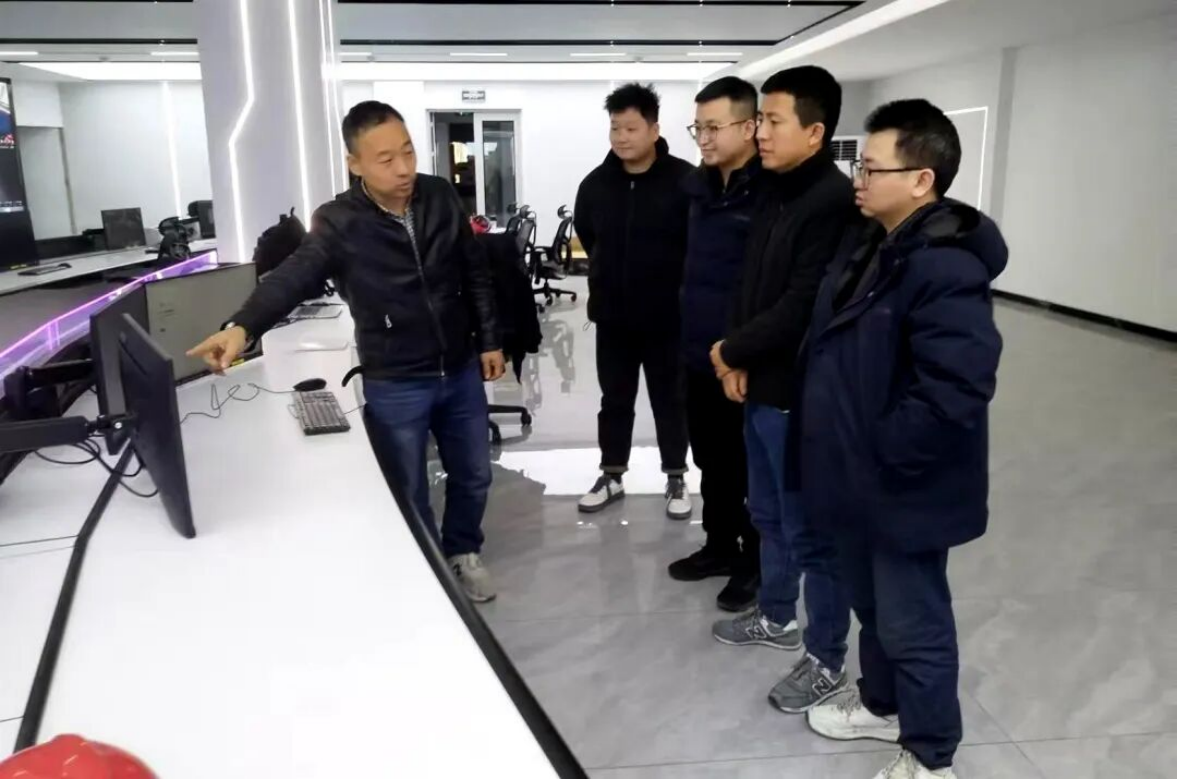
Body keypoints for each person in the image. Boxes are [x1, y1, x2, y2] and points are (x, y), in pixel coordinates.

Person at [187, 101, 505, 603]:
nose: (403, 168)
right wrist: (241, 327)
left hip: (459, 366)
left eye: (408, 152)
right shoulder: (338, 222)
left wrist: (489, 339)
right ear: (355, 163)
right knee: (408, 487)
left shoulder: (441, 195)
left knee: (474, 474)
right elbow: (292, 277)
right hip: (396, 378)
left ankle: (463, 550)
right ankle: (428, 567)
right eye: (386, 159)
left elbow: (475, 273)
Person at [803, 100, 1005, 780]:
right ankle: (882, 704)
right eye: (858, 166)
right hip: (856, 472)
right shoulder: (876, 244)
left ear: (922, 179)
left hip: (904, 479)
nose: (858, 179)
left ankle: (931, 753)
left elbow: (957, 387)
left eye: (871, 168)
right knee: (872, 606)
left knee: (913, 619)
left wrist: (883, 451)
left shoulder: (946, 267)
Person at [708, 66, 855, 714]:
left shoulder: (832, 203)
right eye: (759, 120)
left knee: (811, 534)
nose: (759, 133)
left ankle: (826, 659)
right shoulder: (775, 185)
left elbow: (802, 304)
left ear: (815, 133)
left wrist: (732, 351)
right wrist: (735, 357)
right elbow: (750, 283)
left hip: (802, 392)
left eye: (772, 121)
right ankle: (776, 616)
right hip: (761, 379)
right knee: (766, 513)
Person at [573, 83, 695, 519]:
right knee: (615, 400)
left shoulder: (685, 181)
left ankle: (676, 476)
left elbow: (697, 245)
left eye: (630, 128)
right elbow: (589, 236)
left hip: (668, 319)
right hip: (614, 319)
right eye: (615, 128)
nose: (621, 137)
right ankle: (612, 474)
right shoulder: (595, 185)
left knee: (670, 400)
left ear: (654, 129)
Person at [670, 76, 763, 612]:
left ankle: (755, 561)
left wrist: (741, 351)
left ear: (749, 128)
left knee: (746, 464)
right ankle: (720, 545)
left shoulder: (768, 192)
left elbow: (765, 285)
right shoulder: (699, 189)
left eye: (713, 127)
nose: (703, 138)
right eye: (697, 128)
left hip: (740, 358)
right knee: (710, 458)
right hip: (696, 349)